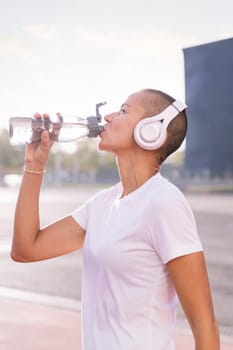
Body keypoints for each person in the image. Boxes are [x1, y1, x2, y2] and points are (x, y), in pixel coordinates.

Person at [11, 88, 220, 350]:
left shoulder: (164, 202)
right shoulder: (100, 204)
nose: (107, 117)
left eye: (123, 111)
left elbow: (204, 324)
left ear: (150, 130)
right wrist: (35, 164)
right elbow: (25, 249)